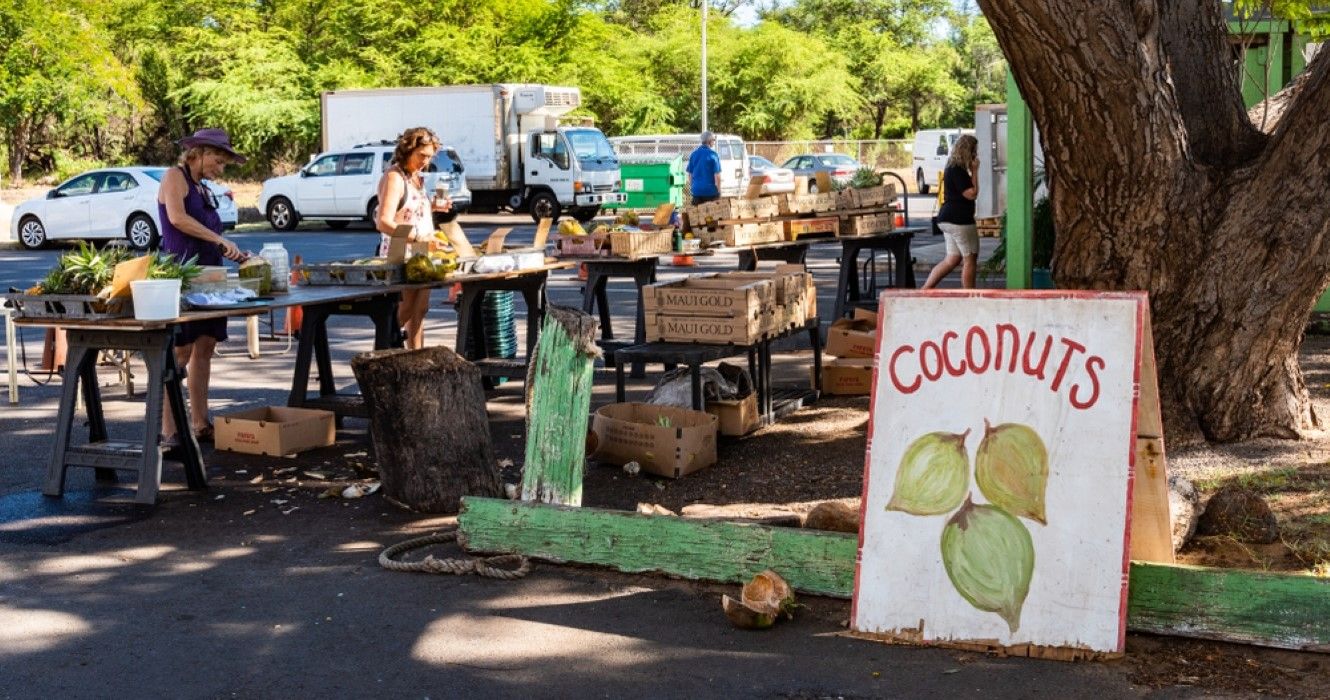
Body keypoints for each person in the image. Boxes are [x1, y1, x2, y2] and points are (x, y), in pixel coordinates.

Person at [158, 128, 248, 448]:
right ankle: (169, 432)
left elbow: (212, 233)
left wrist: (233, 251)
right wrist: (218, 239)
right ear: (200, 152)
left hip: (211, 276)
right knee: (180, 350)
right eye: (218, 161)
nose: (220, 169)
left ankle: (200, 423)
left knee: (206, 345)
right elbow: (178, 219)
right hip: (183, 275)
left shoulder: (203, 187)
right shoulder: (174, 177)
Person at [375, 127, 466, 349]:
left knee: (419, 313)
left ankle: (417, 361)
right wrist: (416, 237)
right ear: (407, 150)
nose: (425, 162)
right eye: (422, 156)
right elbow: (384, 221)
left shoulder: (416, 178)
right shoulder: (395, 177)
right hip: (401, 254)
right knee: (404, 311)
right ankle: (382, 355)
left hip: (421, 253)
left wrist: (434, 206)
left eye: (429, 157)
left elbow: (410, 210)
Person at [922, 134, 980, 289]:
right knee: (970, 258)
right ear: (968, 151)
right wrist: (975, 171)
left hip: (946, 218)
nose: (976, 154)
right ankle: (969, 295)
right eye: (974, 151)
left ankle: (926, 289)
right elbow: (971, 194)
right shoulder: (958, 170)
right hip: (959, 220)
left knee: (952, 258)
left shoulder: (951, 167)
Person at [686, 131, 722, 204]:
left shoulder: (694, 154)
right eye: (713, 140)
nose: (714, 142)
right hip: (710, 191)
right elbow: (717, 176)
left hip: (696, 191)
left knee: (697, 215)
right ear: (709, 141)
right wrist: (719, 191)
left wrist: (694, 188)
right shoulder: (713, 155)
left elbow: (690, 175)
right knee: (711, 215)